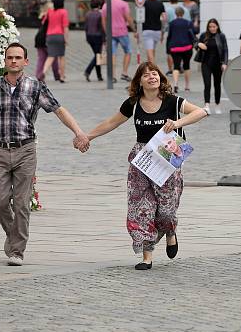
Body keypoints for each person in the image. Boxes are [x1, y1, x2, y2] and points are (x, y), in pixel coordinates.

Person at [0, 42, 89, 266]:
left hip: (25, 150)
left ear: (26, 61)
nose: (14, 61)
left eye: (18, 58)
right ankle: (14, 236)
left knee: (21, 203)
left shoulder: (35, 87)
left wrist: (78, 132)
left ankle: (17, 251)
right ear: (5, 61)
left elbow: (58, 109)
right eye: (10, 58)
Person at [84, 62, 207, 270]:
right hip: (141, 158)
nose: (152, 77)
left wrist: (177, 124)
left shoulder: (172, 101)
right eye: (146, 75)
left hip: (167, 156)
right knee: (141, 207)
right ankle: (146, 256)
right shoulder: (133, 103)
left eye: (155, 74)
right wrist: (88, 136)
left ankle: (170, 230)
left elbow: (201, 112)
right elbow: (111, 122)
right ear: (139, 81)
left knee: (167, 209)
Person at [196, 18, 228, 115]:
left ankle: (217, 104)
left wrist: (225, 63)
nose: (212, 28)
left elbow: (225, 50)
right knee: (207, 84)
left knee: (217, 85)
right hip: (206, 63)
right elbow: (196, 44)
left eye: (214, 26)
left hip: (218, 64)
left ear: (217, 27)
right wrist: (199, 44)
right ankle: (207, 105)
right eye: (210, 27)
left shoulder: (221, 36)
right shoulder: (204, 35)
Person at [102, 0, 134, 81]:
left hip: (111, 33)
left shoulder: (105, 5)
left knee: (112, 54)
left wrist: (106, 32)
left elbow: (103, 20)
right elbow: (128, 18)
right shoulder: (123, 4)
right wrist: (134, 28)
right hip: (122, 31)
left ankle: (112, 75)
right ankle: (124, 73)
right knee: (128, 51)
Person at [167, 6, 196, 94]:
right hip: (187, 47)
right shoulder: (188, 23)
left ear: (175, 14)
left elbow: (169, 36)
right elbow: (193, 33)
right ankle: (187, 86)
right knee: (186, 66)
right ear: (183, 13)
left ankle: (175, 85)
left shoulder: (172, 23)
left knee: (176, 66)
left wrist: (168, 48)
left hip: (175, 48)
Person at [41, 0, 69, 83]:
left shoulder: (50, 12)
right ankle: (62, 76)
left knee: (51, 56)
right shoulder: (63, 12)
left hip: (49, 36)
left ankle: (43, 73)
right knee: (61, 57)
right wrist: (66, 39)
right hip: (59, 35)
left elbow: (43, 22)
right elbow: (65, 27)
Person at [164, 0, 191, 76]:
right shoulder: (185, 9)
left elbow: (165, 22)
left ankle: (171, 69)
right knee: (183, 49)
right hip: (184, 32)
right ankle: (180, 66)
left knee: (170, 51)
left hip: (171, 32)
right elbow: (189, 21)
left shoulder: (167, 10)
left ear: (169, 0)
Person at [33, 2, 60, 82]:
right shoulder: (50, 16)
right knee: (53, 58)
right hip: (47, 39)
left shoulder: (41, 16)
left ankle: (39, 75)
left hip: (39, 39)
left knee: (41, 58)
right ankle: (57, 75)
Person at [139, 0, 167, 64]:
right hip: (157, 31)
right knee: (152, 50)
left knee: (150, 52)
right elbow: (164, 18)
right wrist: (162, 32)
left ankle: (153, 70)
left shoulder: (144, 3)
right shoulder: (160, 4)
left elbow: (139, 15)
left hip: (147, 30)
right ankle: (150, 67)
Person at [83, 0, 105, 82]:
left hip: (89, 36)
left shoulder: (88, 14)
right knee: (97, 56)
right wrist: (104, 39)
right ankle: (87, 71)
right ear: (99, 5)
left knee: (97, 55)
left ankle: (99, 76)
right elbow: (102, 28)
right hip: (98, 37)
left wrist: (87, 37)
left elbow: (86, 27)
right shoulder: (100, 14)